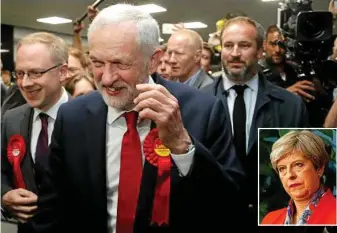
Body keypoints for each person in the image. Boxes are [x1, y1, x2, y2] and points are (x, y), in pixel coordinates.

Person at [32, 4, 244, 233]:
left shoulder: (203, 110)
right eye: (97, 63)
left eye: (120, 64)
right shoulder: (72, 116)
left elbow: (230, 206)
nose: (107, 78)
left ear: (153, 60)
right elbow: (51, 210)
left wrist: (183, 146)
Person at [202, 16, 308, 231]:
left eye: (244, 45)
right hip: (213, 218)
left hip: (270, 218)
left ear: (260, 51)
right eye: (228, 45)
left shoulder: (290, 105)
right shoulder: (199, 102)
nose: (234, 53)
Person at [1, 32, 69, 233]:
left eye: (36, 73)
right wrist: (4, 195)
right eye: (20, 73)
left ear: (63, 72)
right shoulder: (11, 119)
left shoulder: (90, 118)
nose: (25, 83)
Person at [261, 130, 336, 225]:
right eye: (282, 168)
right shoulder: (269, 220)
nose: (289, 175)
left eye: (298, 165)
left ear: (320, 168)